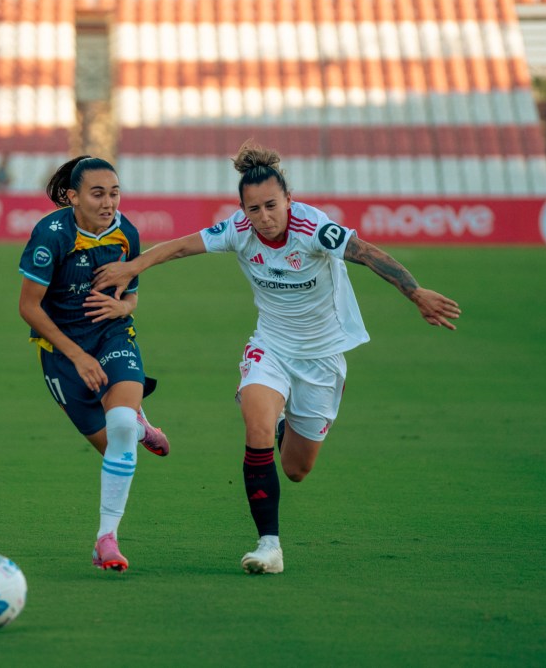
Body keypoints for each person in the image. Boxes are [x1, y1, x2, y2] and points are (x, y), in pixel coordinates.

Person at [93, 141, 460, 575]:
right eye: (253, 209)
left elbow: (367, 254)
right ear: (242, 209)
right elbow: (178, 248)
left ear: (288, 198)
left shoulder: (314, 228)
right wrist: (131, 268)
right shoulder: (237, 230)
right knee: (256, 425)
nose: (264, 217)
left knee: (297, 468)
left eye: (271, 205)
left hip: (322, 358)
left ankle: (288, 423)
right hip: (270, 347)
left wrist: (414, 292)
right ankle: (269, 546)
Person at [18, 155, 170, 573]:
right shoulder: (52, 235)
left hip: (112, 336)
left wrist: (124, 309)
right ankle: (139, 424)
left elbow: (132, 295)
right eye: (98, 193)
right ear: (73, 196)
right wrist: (77, 356)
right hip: (62, 351)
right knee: (115, 448)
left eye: (115, 192)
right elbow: (28, 308)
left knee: (119, 429)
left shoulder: (127, 234)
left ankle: (107, 539)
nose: (109, 202)